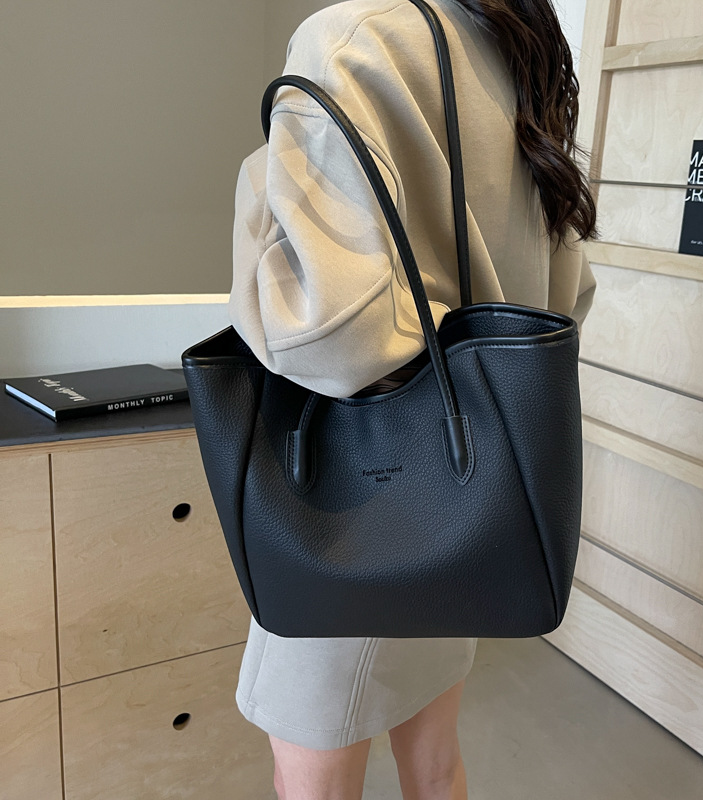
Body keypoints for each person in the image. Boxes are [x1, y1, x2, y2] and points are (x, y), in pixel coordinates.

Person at [226, 0, 597, 797]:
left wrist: (263, 175)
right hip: (467, 503)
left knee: (311, 779)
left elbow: (326, 337)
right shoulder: (515, 47)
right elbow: (568, 298)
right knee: (433, 763)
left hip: (353, 516)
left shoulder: (349, 41)